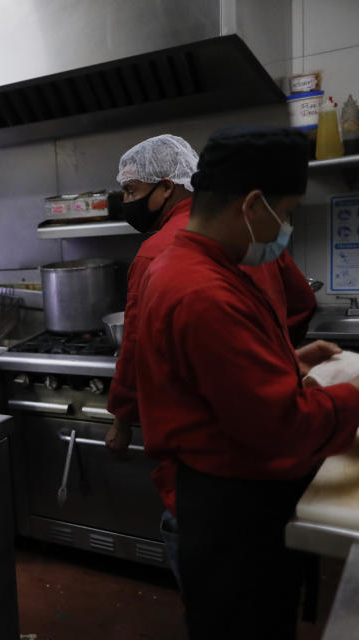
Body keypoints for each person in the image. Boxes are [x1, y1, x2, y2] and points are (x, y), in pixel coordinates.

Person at [134, 125, 359, 638]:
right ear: (254, 205)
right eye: (289, 210)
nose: (287, 225)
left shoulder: (200, 265)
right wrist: (354, 394)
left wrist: (287, 362)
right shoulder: (202, 290)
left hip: (231, 498)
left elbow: (219, 378)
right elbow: (280, 427)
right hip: (233, 510)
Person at [103, 134, 318, 582]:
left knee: (220, 590)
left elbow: (137, 350)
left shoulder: (158, 252)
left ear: (166, 187)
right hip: (273, 461)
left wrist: (122, 420)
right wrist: (277, 358)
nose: (125, 202)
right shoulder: (250, 230)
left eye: (131, 191)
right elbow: (300, 304)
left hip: (208, 471)